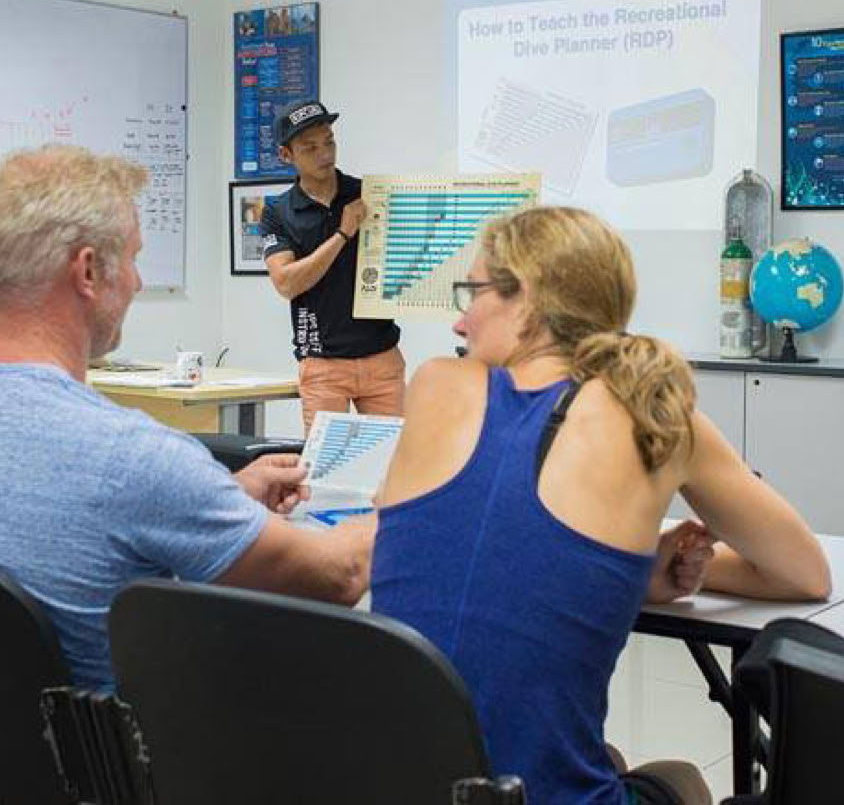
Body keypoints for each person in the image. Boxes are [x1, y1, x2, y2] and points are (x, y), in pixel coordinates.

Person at [371, 205, 830, 805]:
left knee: (607, 757)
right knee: (678, 777)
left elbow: (470, 549)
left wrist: (629, 569)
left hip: (387, 786)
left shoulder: (433, 385)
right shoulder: (652, 409)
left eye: (472, 293)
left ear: (527, 301)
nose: (461, 320)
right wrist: (638, 567)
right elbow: (805, 574)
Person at [0, 145, 373, 691]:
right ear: (88, 271)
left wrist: (217, 495)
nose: (136, 283)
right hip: (126, 743)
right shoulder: (131, 458)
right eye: (133, 259)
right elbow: (339, 575)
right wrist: (403, 502)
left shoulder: (139, 473)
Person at [261, 100, 404, 434]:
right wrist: (342, 234)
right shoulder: (278, 212)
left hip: (381, 356)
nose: (325, 154)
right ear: (286, 155)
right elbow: (286, 283)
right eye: (310, 148)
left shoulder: (367, 194)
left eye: (329, 142)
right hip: (322, 363)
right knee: (325, 464)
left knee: (393, 459)